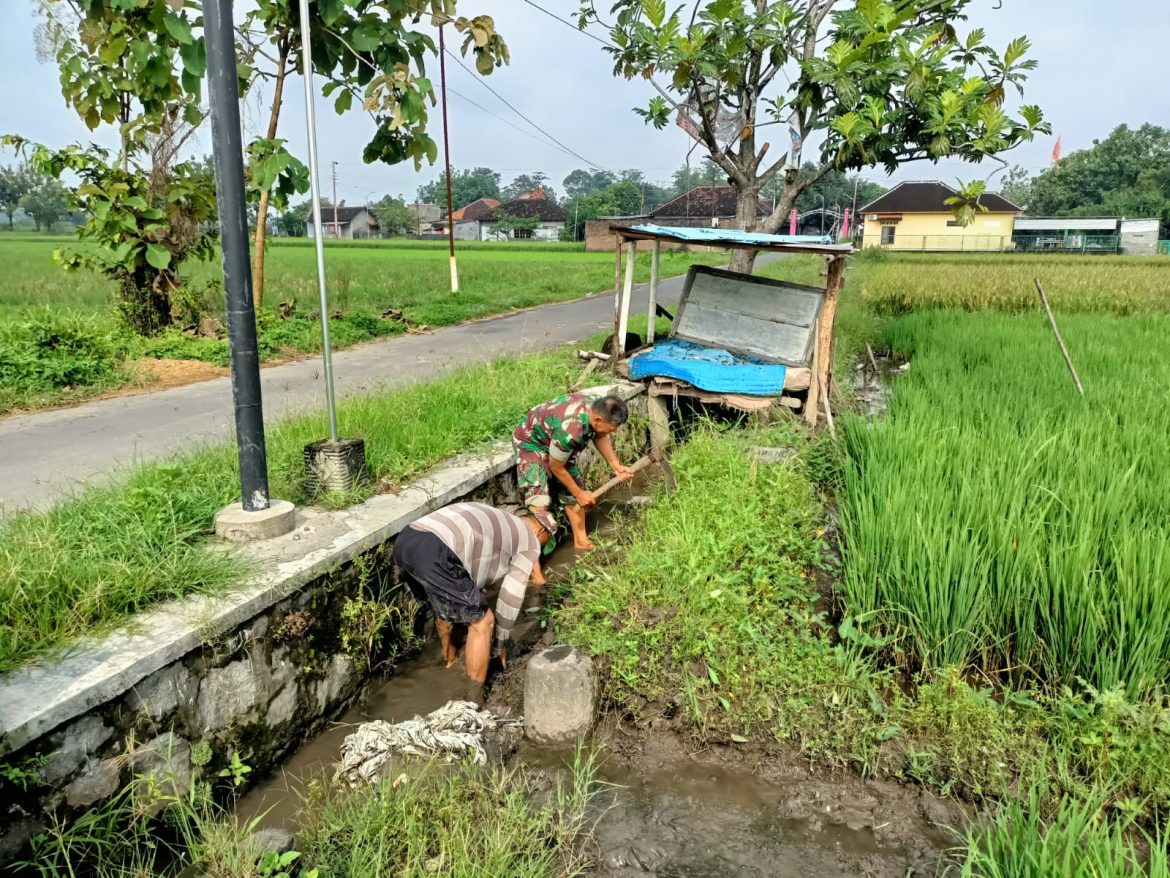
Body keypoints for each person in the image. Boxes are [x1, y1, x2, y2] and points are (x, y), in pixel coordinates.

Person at [394, 501, 542, 702]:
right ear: (541, 531)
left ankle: (449, 656)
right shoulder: (530, 541)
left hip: (406, 540)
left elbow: (468, 569)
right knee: (483, 622)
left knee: (446, 599)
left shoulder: (502, 519)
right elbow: (510, 596)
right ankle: (472, 700)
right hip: (435, 549)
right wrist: (499, 645)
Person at [512, 393, 634, 561]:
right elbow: (556, 466)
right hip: (532, 442)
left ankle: (581, 541)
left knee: (574, 488)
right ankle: (531, 559)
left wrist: (616, 466)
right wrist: (579, 494)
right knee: (539, 501)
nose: (615, 431)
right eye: (613, 428)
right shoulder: (571, 429)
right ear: (597, 420)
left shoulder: (597, 409)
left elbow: (600, 435)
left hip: (557, 442)